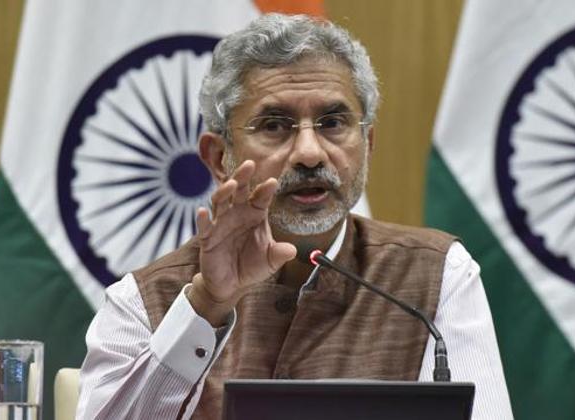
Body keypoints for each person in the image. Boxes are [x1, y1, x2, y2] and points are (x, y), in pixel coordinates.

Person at [76, 13, 513, 420]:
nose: (309, 153)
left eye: (333, 122)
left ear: (368, 145)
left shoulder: (438, 275)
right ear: (218, 158)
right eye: (274, 126)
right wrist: (207, 304)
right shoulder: (142, 299)